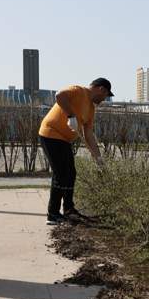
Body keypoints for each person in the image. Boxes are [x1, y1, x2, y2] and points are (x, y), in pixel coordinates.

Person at [38, 78, 112, 225]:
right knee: (61, 174)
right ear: (101, 89)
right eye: (105, 96)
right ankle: (52, 214)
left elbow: (88, 134)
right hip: (50, 134)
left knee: (70, 173)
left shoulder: (91, 108)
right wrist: (70, 115)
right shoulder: (78, 91)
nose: (104, 99)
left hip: (64, 140)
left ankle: (69, 209)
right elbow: (59, 96)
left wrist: (98, 158)